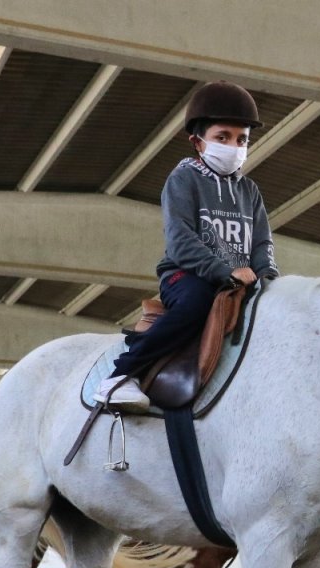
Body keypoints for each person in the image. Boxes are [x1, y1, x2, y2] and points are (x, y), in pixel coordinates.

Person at [96, 80, 278, 411]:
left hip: (237, 279)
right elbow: (180, 240)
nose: (234, 146)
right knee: (196, 302)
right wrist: (224, 271)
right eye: (222, 137)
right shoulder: (183, 180)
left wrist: (267, 276)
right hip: (187, 276)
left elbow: (262, 241)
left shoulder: (249, 191)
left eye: (241, 140)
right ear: (198, 142)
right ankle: (121, 376)